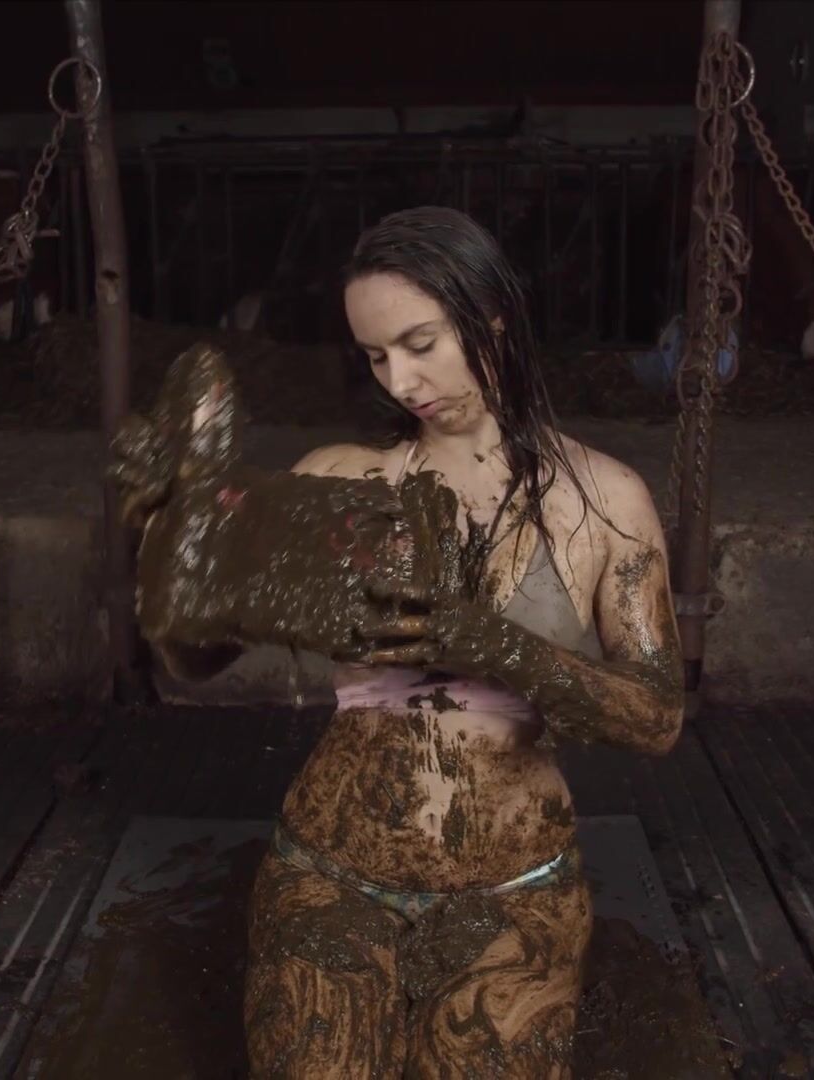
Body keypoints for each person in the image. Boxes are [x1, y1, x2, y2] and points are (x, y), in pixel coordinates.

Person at [131, 206, 683, 1077]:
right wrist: (170, 541)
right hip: (332, 873)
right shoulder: (339, 479)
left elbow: (656, 718)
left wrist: (496, 645)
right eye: (376, 356)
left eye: (420, 343)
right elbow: (195, 658)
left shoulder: (607, 501)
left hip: (513, 892)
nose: (401, 380)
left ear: (490, 318)